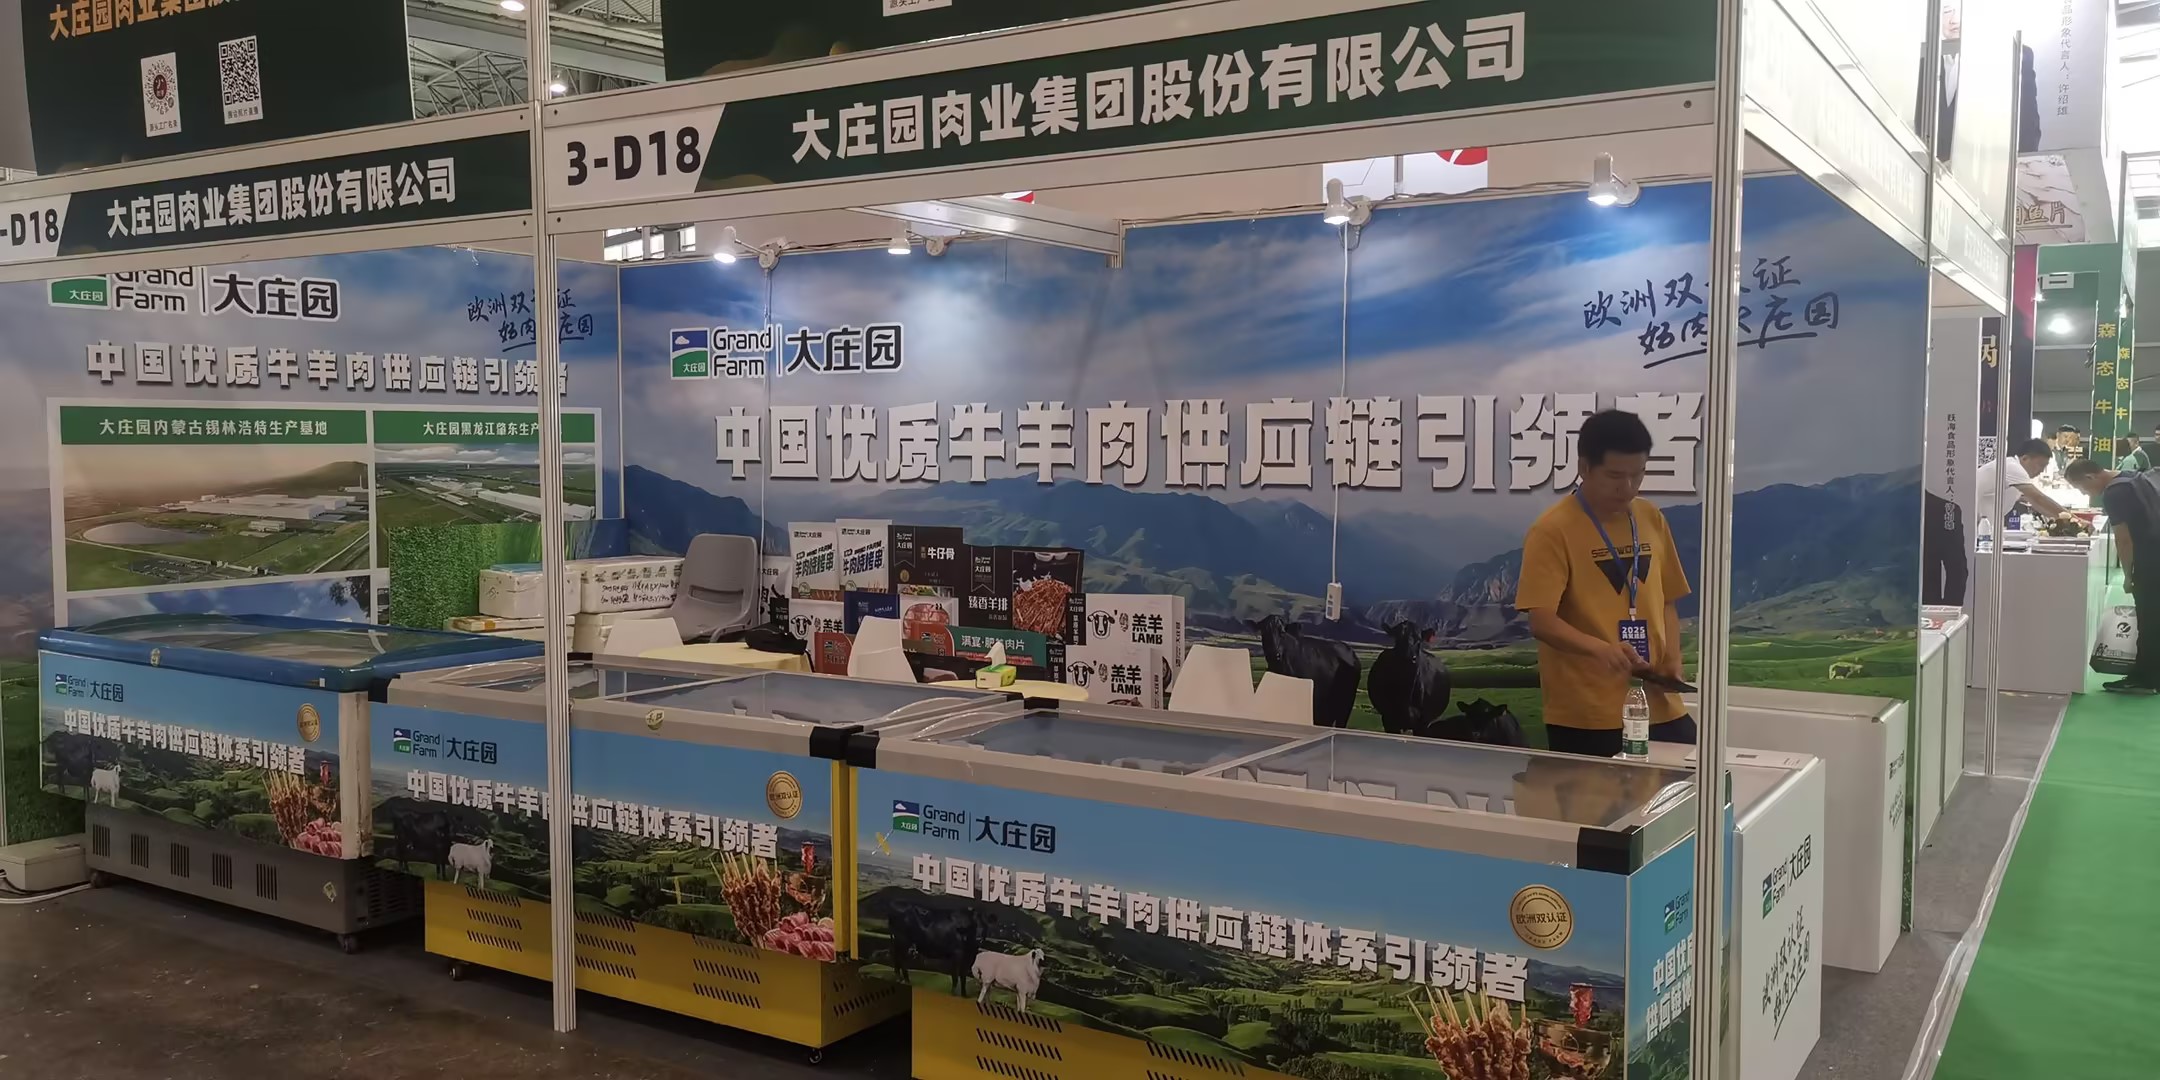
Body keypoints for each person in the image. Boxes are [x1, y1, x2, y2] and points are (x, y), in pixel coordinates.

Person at [1516, 410, 1695, 756]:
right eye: (1614, 476)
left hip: (1659, 702)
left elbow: (1667, 600)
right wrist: (1602, 650)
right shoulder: (1552, 530)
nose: (1627, 487)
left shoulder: (1650, 517)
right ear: (1584, 468)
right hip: (1588, 714)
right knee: (1598, 793)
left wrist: (1672, 659)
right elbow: (1542, 621)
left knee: (1692, 782)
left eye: (1637, 474)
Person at [2065, 459, 2160, 694]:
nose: (2085, 493)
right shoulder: (2132, 476)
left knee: (2149, 620)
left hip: (2149, 558)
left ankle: (2146, 679)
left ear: (2090, 477)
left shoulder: (2114, 493)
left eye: (2081, 487)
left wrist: (2128, 575)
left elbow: (2123, 539)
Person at [1978, 438, 2070, 526]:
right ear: (2025, 458)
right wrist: (2071, 518)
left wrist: (2061, 520)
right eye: (2040, 465)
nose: (2042, 470)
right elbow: (2038, 498)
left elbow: (2034, 503)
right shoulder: (2012, 467)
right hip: (1976, 522)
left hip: (1983, 523)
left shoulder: (2015, 475)